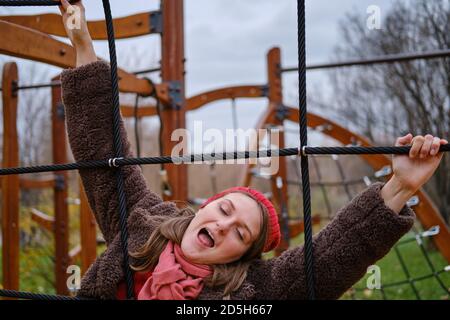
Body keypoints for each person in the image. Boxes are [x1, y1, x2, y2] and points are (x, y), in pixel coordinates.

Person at [58, 0, 448, 300]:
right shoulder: (142, 223)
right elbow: (103, 154)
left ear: (241, 256)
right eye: (225, 210)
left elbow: (330, 259)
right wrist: (82, 42)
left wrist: (400, 186)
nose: (225, 225)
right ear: (208, 205)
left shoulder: (251, 291)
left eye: (240, 233)